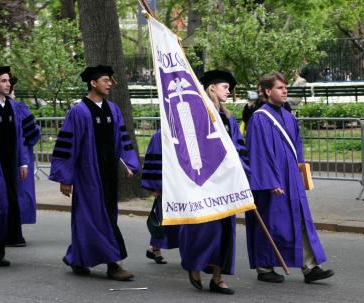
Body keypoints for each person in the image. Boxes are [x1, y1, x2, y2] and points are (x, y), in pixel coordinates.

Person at [49, 65, 140, 281]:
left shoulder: (113, 110)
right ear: (93, 83)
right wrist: (65, 178)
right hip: (87, 174)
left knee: (97, 217)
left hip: (108, 174)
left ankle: (77, 259)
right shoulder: (79, 111)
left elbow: (123, 138)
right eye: (106, 80)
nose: (110, 84)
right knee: (94, 218)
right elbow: (67, 146)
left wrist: (129, 163)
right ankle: (113, 264)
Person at [245, 72, 334, 284]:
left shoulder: (287, 115)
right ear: (268, 91)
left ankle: (310, 267)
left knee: (301, 220)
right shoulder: (260, 118)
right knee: (271, 222)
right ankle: (264, 266)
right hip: (272, 182)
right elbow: (259, 153)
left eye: (285, 87)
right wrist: (271, 181)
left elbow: (297, 146)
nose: (285, 91)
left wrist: (299, 172)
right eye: (279, 88)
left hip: (290, 178)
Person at [176, 70, 247, 296]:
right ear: (212, 88)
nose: (228, 91)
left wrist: (241, 172)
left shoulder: (228, 118)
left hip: (226, 184)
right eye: (225, 87)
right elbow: (190, 148)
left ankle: (218, 278)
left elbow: (238, 147)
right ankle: (194, 265)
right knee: (203, 229)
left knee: (225, 231)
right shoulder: (197, 114)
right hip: (204, 182)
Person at [0, 66, 28, 267]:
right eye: (4, 81)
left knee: (7, 206)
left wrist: (22, 161)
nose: (8, 84)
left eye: (9, 81)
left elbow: (20, 136)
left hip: (10, 164)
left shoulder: (13, 107)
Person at [6, 76, 41, 247]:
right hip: (22, 156)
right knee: (19, 193)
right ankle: (15, 232)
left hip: (11, 157)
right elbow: (33, 134)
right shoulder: (19, 108)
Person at [141, 129, 179, 264]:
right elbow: (154, 159)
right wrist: (157, 186)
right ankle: (155, 247)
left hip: (182, 183)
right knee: (163, 218)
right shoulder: (159, 136)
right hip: (166, 184)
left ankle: (154, 247)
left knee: (180, 218)